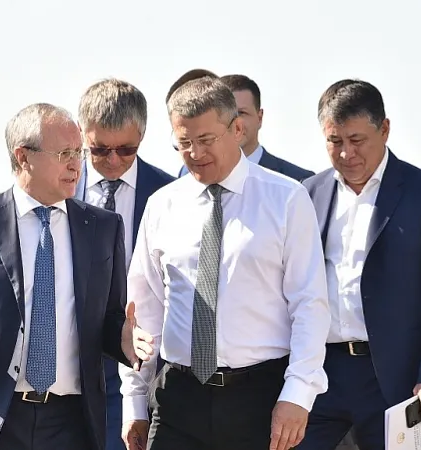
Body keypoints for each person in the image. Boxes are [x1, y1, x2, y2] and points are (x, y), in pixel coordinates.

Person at [0, 103, 144, 450]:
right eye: (64, 154)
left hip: (72, 424)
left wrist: (124, 339)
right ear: (23, 157)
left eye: (79, 152)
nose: (76, 165)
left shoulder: (103, 227)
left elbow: (109, 318)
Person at [120, 76, 331, 450]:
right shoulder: (162, 205)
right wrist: (134, 401)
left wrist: (298, 393)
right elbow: (144, 313)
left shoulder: (286, 199)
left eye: (205, 140)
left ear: (237, 129)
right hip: (177, 399)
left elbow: (309, 305)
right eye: (183, 142)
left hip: (260, 398)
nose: (194, 153)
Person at [298, 79, 421, 449]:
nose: (346, 153)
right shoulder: (307, 194)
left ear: (385, 129)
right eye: (334, 141)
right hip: (320, 377)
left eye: (357, 140)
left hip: (395, 378)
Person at [74, 78, 176, 450]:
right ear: (82, 133)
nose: (114, 160)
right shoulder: (58, 188)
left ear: (142, 136)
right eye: (100, 149)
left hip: (143, 359)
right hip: (68, 359)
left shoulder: (170, 195)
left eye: (126, 149)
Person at [173, 73, 315, 181]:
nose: (235, 122)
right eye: (225, 115)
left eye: (241, 113)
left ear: (260, 118)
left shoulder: (298, 180)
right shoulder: (188, 175)